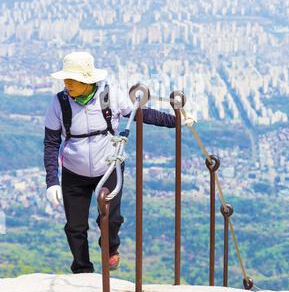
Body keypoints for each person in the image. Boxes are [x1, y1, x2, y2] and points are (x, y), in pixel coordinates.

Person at [44, 51, 197, 274]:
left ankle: (110, 250)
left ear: (87, 80)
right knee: (75, 227)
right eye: (65, 79)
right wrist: (52, 181)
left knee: (111, 219)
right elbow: (51, 143)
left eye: (72, 80)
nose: (67, 84)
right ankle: (82, 269)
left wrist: (176, 121)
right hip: (73, 172)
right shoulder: (59, 103)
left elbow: (140, 113)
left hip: (108, 167)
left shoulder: (109, 96)